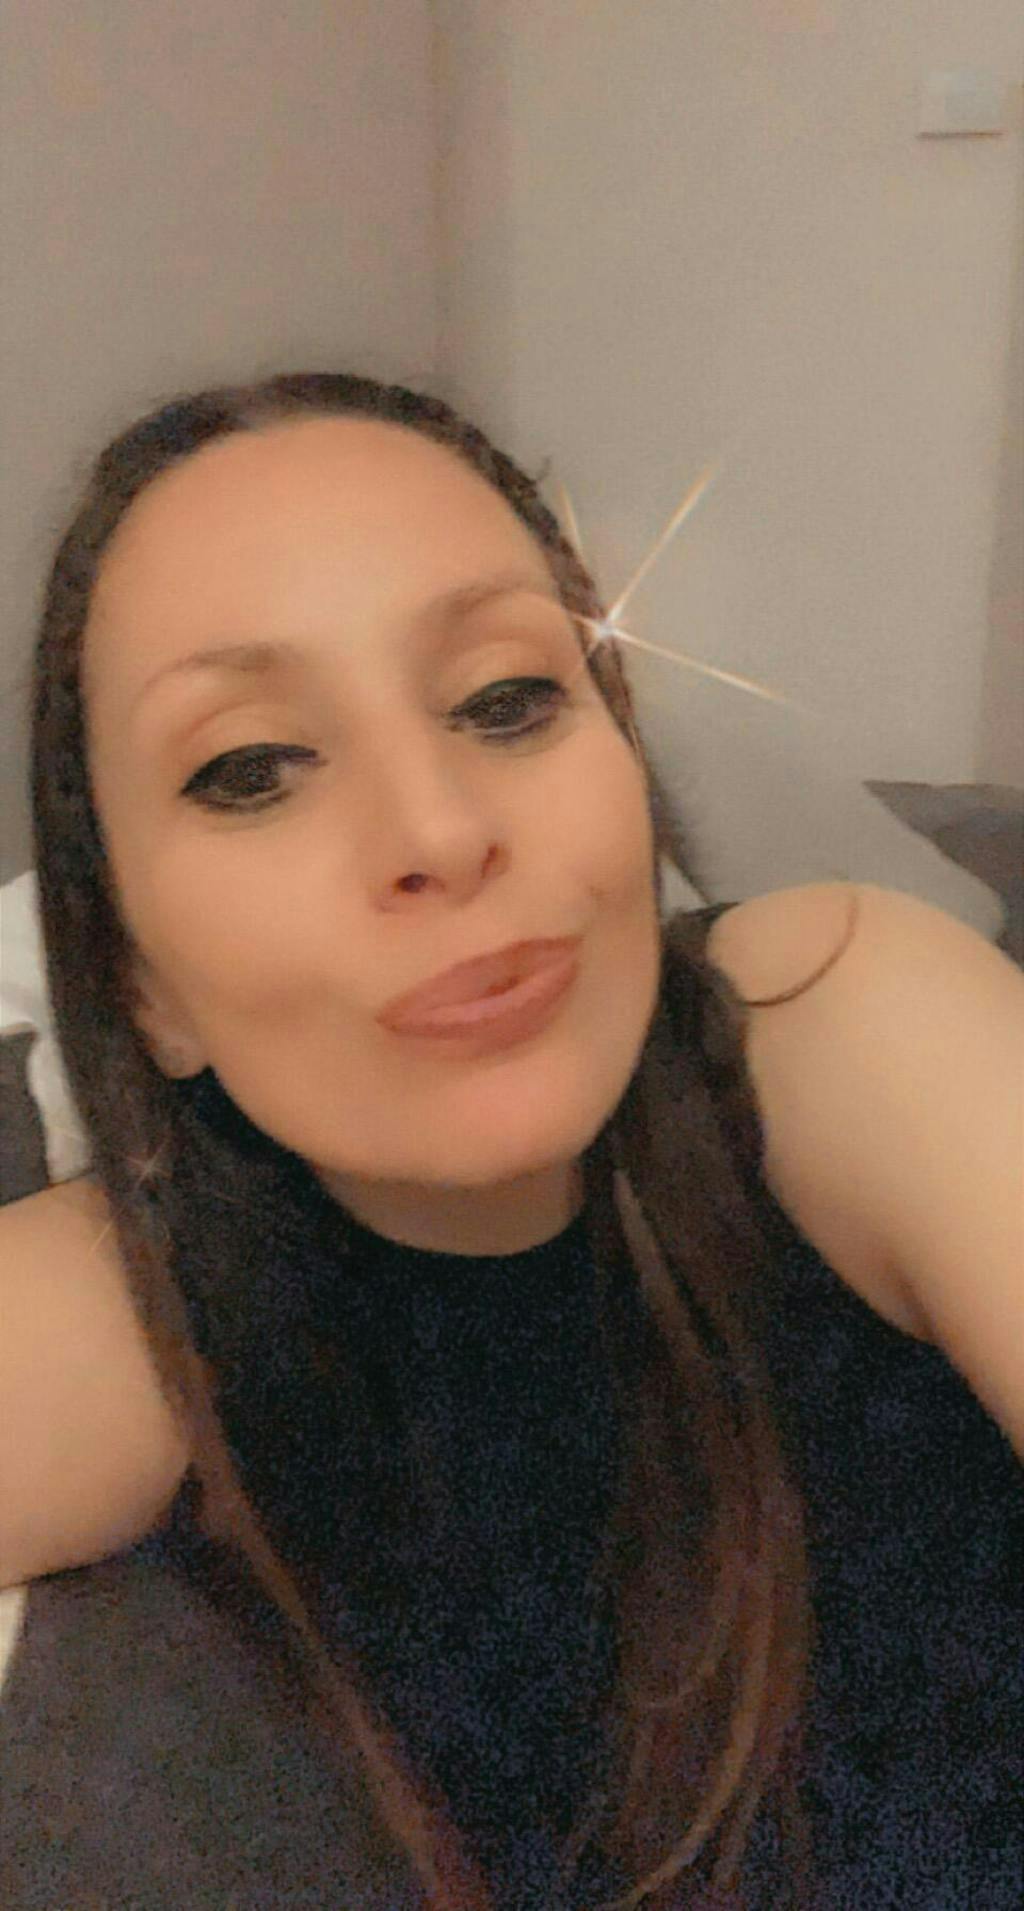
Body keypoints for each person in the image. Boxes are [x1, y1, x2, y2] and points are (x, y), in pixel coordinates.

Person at [1, 371, 1021, 1910]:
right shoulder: (139, 1309)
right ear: (139, 984)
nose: (439, 829)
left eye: (506, 698)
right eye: (251, 768)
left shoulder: (836, 1022)